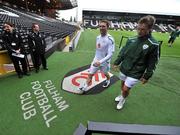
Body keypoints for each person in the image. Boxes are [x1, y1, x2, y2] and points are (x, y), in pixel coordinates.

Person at [113, 15, 159, 110]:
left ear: (149, 29)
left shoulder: (153, 44)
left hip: (136, 72)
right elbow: (123, 52)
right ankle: (122, 95)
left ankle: (123, 99)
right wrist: (117, 62)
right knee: (122, 84)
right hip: (125, 67)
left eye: (143, 29)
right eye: (138, 28)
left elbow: (153, 62)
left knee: (126, 88)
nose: (139, 31)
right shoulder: (131, 39)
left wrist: (147, 75)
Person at [79, 20, 115, 93]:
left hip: (104, 62)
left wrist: (100, 61)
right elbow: (98, 50)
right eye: (100, 26)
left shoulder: (110, 39)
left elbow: (110, 54)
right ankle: (85, 87)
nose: (101, 28)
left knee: (105, 73)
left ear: (107, 27)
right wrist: (96, 59)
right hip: (96, 60)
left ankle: (108, 80)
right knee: (90, 74)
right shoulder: (98, 37)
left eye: (103, 26)